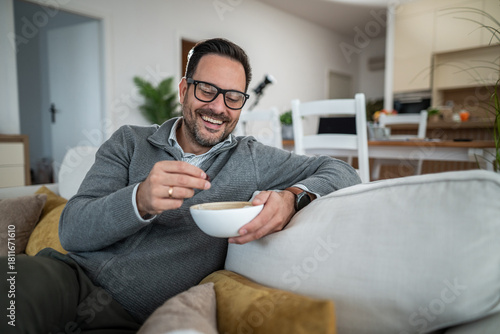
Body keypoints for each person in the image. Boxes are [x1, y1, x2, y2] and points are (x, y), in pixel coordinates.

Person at [1, 38, 361, 333]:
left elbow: (342, 169)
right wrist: (139, 200)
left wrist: (291, 198)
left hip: (132, 318)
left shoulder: (252, 159)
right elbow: (73, 229)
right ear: (184, 90)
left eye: (233, 97)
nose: (219, 107)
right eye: (207, 90)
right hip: (67, 281)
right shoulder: (129, 142)